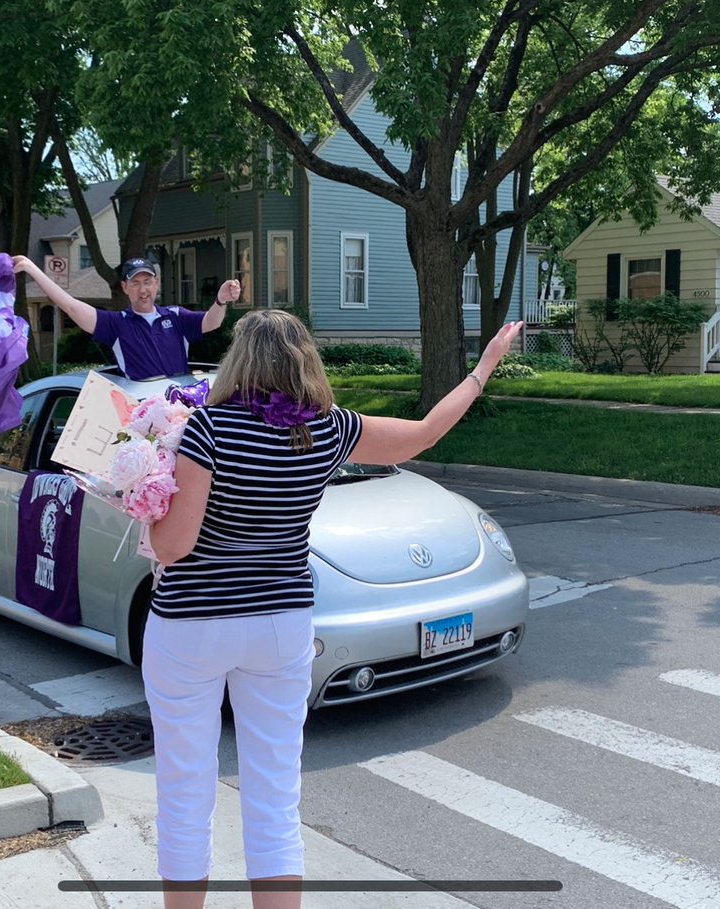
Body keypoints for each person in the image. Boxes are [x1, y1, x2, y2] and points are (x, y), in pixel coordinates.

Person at [145, 309, 524, 908]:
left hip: (192, 624)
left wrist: (143, 504)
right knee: (273, 797)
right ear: (305, 362)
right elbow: (425, 432)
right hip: (281, 624)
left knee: (184, 790)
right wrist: (484, 367)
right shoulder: (329, 429)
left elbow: (173, 546)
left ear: (238, 361)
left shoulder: (206, 430)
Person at [10, 255, 240, 380]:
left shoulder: (177, 316)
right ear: (124, 287)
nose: (143, 290)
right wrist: (32, 269)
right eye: (135, 283)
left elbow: (212, 322)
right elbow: (71, 307)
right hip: (142, 413)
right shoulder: (116, 324)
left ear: (156, 284)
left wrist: (220, 301)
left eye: (148, 282)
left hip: (181, 409)